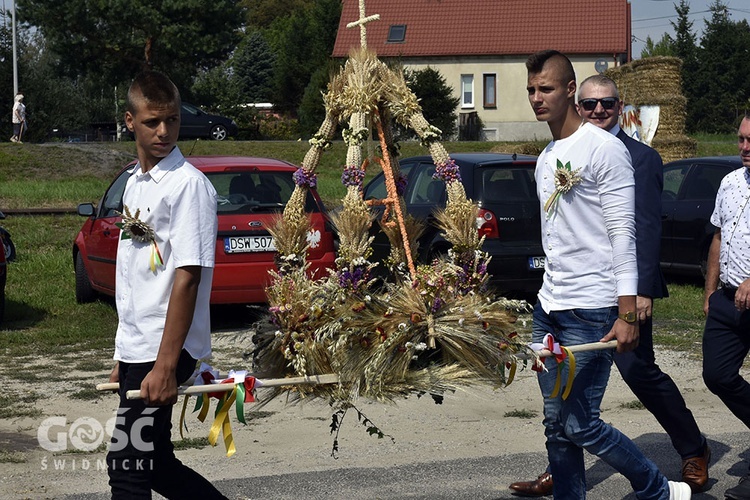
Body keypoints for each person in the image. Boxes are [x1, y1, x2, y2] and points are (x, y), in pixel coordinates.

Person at [509, 75, 709, 496]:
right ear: (578, 105)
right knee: (561, 411)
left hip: (620, 293)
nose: (599, 111)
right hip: (564, 299)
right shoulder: (556, 153)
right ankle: (563, 475)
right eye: (591, 104)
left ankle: (690, 450)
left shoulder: (638, 156)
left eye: (608, 104)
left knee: (640, 374)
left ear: (620, 107)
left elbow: (641, 229)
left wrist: (638, 297)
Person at [105, 70, 227, 499]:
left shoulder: (188, 186)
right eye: (152, 121)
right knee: (153, 463)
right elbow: (133, 277)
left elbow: (188, 276)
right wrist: (126, 352)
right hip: (142, 346)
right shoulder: (134, 185)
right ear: (129, 121)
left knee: (128, 466)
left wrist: (164, 365)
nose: (163, 131)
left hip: (167, 348)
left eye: (172, 121)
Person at [702, 113, 750, 500]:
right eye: (740, 140)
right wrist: (710, 288)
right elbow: (719, 236)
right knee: (717, 376)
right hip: (726, 299)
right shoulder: (730, 182)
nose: (745, 148)